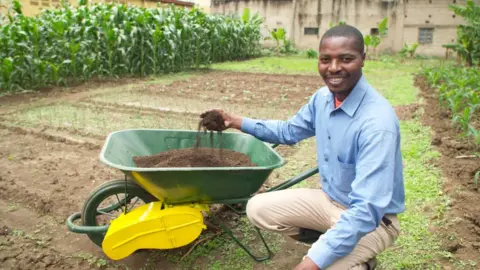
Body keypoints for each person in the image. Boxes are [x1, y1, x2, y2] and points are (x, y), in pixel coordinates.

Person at [200, 24, 405, 270]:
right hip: (330, 202)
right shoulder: (322, 99)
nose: (334, 68)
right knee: (257, 208)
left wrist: (310, 263)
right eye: (325, 59)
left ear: (363, 59)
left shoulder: (376, 123)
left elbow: (366, 210)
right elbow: (288, 131)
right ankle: (339, 248)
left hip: (372, 222)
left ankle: (356, 260)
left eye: (346, 59)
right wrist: (235, 121)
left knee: (320, 264)